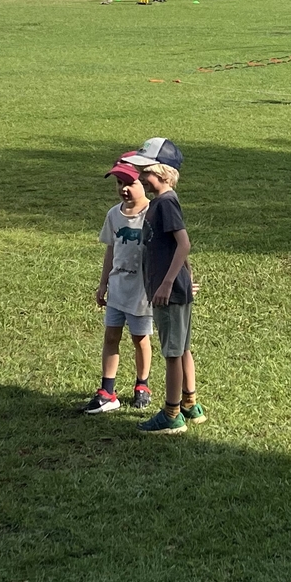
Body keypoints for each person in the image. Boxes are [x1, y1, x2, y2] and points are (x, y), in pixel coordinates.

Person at [128, 138, 201, 434]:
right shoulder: (163, 202)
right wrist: (187, 276)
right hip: (174, 288)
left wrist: (168, 283)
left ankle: (171, 415)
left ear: (162, 173)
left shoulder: (165, 203)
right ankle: (189, 404)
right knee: (182, 348)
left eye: (146, 172)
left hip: (168, 292)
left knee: (172, 352)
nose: (141, 178)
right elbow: (178, 247)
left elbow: (184, 243)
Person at [85, 161, 153, 415]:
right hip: (118, 287)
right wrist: (103, 283)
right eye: (119, 183)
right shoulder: (114, 214)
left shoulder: (153, 213)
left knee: (140, 339)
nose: (124, 188)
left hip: (142, 291)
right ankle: (107, 390)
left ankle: (142, 385)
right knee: (111, 336)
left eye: (130, 183)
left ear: (144, 183)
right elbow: (111, 250)